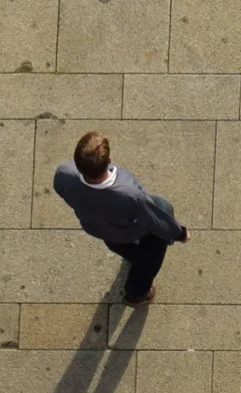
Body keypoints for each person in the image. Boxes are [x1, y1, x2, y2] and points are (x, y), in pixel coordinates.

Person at [51, 130, 187, 306]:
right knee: (162, 208)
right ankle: (137, 292)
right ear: (109, 161)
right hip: (130, 229)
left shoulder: (64, 174)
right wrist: (180, 234)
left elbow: (62, 190)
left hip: (99, 228)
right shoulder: (129, 193)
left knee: (120, 245)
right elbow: (154, 219)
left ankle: (132, 257)